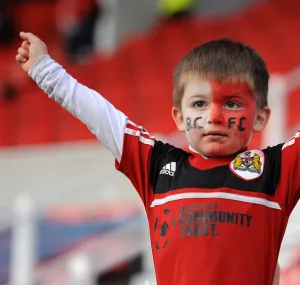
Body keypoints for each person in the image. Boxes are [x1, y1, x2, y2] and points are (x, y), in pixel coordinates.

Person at [15, 32, 292, 285]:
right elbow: (99, 114)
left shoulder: (276, 171)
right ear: (179, 118)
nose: (215, 117)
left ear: (260, 117)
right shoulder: (157, 166)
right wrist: (45, 70)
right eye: (199, 104)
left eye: (232, 103)